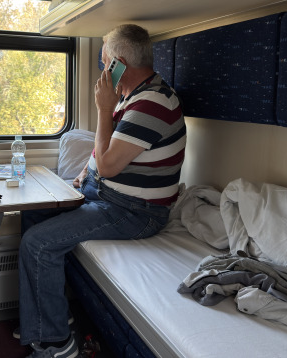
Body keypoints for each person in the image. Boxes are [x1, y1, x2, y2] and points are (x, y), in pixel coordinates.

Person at [17, 24, 187, 358]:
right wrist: (84, 173)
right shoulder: (134, 97)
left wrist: (103, 109)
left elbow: (108, 165)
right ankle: (49, 318)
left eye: (104, 62)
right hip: (104, 195)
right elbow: (104, 151)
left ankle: (57, 345)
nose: (101, 70)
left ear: (117, 65)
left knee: (38, 244)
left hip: (134, 211)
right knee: (33, 210)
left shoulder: (153, 102)